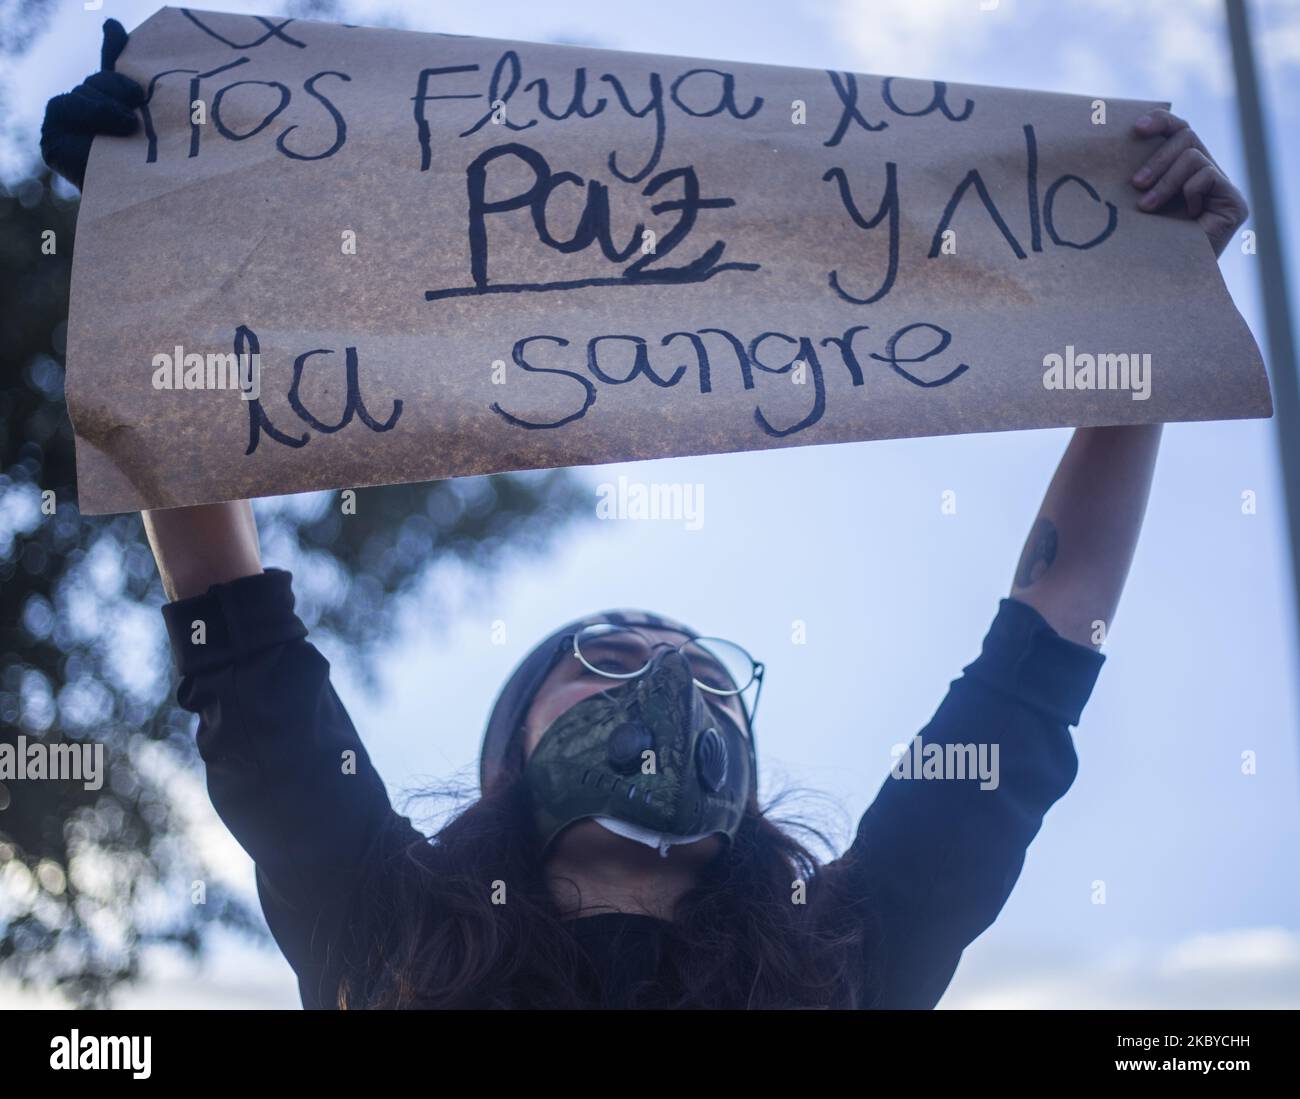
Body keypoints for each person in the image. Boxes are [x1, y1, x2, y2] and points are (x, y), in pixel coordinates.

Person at [43, 19, 1249, 1010]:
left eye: (706, 672)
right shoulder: (383, 919)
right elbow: (236, 637)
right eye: (609, 655)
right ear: (504, 750)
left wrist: (1150, 301)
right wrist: (153, 249)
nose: (668, 682)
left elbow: (1045, 647)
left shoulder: (847, 951)